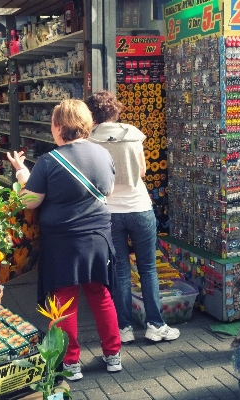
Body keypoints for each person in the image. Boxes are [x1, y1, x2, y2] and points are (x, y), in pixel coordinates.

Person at [7, 99, 121, 380]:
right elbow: (107, 189)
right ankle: (113, 355)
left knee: (64, 299)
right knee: (101, 294)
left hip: (63, 241)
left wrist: (22, 172)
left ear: (59, 127)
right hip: (98, 236)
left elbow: (30, 201)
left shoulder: (49, 161)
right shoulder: (103, 154)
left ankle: (71, 363)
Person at [86, 90, 179, 344]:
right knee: (148, 267)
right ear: (115, 109)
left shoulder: (90, 140)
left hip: (110, 211)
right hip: (138, 206)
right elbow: (143, 170)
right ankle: (155, 325)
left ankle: (124, 328)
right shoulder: (133, 133)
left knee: (120, 270)